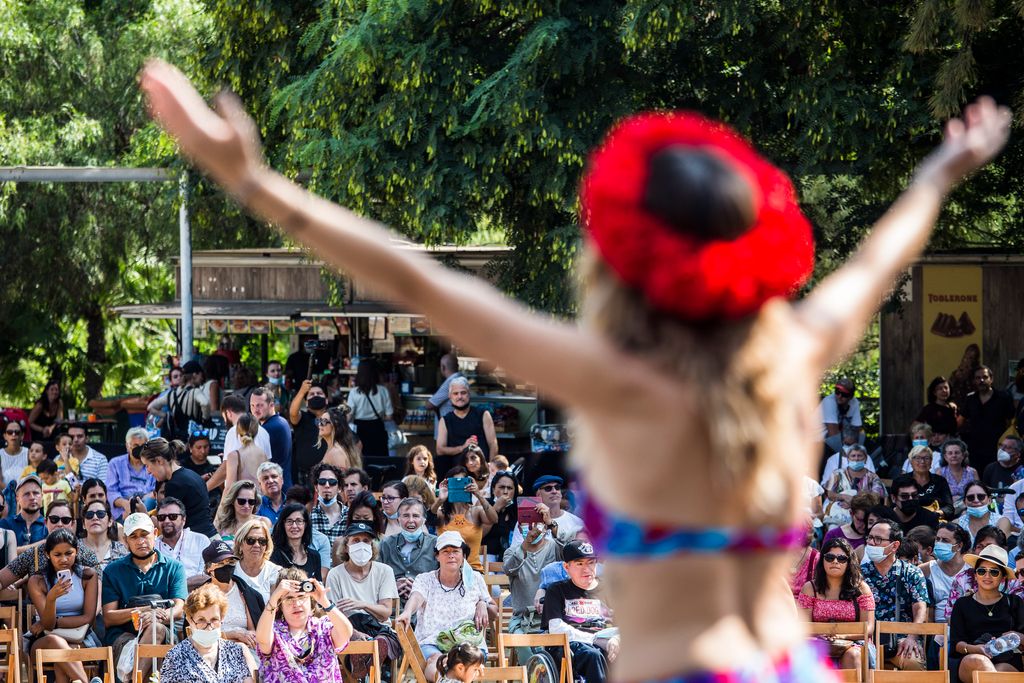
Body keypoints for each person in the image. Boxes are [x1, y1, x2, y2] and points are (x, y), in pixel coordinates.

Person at [141, 63, 1012, 680]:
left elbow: (419, 282)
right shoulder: (787, 355)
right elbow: (873, 265)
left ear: (624, 260)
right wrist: (940, 173)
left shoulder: (620, 379)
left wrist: (254, 180)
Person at [395, 531, 496, 682]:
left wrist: (482, 604)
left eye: (455, 551)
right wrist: (408, 612)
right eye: (445, 551)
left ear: (464, 555)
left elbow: (494, 613)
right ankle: (444, 680)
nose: (451, 555)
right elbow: (416, 596)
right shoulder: (425, 580)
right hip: (432, 642)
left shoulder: (475, 578)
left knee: (464, 663)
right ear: (437, 556)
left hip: (468, 644)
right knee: (437, 661)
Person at [102, 512, 188, 683]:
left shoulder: (174, 567)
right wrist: (145, 611)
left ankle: (134, 679)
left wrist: (156, 616)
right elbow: (109, 617)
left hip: (164, 634)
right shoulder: (112, 570)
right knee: (155, 636)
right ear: (125, 541)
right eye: (133, 536)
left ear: (155, 534)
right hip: (124, 636)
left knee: (157, 629)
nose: (140, 541)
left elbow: (179, 609)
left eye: (144, 534)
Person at [26, 529, 101, 683]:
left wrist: (57, 621)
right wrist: (51, 598)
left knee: (62, 658)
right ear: (47, 554)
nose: (64, 559)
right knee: (56, 642)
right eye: (57, 555)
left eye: (69, 553)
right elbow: (48, 625)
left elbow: (88, 618)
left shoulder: (88, 575)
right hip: (45, 639)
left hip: (81, 637)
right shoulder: (37, 581)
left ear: (77, 551)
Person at [257, 569, 353, 683]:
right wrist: (274, 597)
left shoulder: (323, 627)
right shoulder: (272, 630)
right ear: (280, 605)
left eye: (301, 597)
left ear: (310, 600)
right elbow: (263, 641)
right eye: (289, 599)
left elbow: (346, 633)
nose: (296, 604)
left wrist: (324, 601)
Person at [541, 540, 617, 683]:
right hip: (572, 645)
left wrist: (617, 639)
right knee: (592, 655)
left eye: (591, 563)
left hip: (609, 640)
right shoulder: (556, 590)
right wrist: (595, 640)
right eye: (579, 564)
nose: (586, 569)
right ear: (566, 567)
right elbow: (556, 627)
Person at [797, 538, 875, 672]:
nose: (835, 562)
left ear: (849, 562)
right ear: (822, 560)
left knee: (852, 655)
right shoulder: (809, 588)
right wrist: (821, 634)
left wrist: (842, 636)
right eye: (829, 557)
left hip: (854, 642)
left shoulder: (861, 589)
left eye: (841, 558)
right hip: (818, 640)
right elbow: (803, 625)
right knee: (806, 655)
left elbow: (868, 628)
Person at [949, 545, 1024, 681]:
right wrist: (975, 649)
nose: (987, 576)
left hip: (1007, 659)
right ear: (975, 574)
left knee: (999, 672)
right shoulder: (962, 604)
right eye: (982, 571)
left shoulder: (1014, 602)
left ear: (1003, 577)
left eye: (994, 572)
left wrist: (1019, 636)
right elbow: (956, 644)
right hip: (970, 658)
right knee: (980, 662)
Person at [860, 521, 928, 670]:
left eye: (878, 539)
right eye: (870, 537)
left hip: (901, 639)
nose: (871, 543)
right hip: (866, 639)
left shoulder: (911, 572)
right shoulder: (859, 573)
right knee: (852, 658)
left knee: (912, 661)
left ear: (895, 546)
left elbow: (920, 609)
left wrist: (912, 637)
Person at [159, 583, 258, 683]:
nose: (209, 627)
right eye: (201, 620)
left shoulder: (235, 652)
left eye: (214, 619)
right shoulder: (175, 656)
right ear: (189, 620)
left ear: (222, 618)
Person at [325, 521, 399, 630]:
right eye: (356, 540)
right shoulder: (335, 574)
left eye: (366, 541)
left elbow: (385, 613)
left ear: (371, 546)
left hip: (379, 630)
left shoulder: (385, 571)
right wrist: (354, 634)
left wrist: (363, 605)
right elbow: (334, 615)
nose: (361, 546)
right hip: (347, 630)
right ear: (346, 547)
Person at [141, 438, 219, 537]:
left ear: (159, 461)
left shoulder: (174, 485)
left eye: (147, 465)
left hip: (196, 542)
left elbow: (170, 529)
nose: (148, 471)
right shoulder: (192, 475)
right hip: (210, 537)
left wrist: (144, 515)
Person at [196, 540, 265, 651]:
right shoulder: (199, 597)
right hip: (211, 651)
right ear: (209, 569)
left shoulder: (248, 594)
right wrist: (234, 634)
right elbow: (198, 635)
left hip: (245, 650)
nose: (227, 566)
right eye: (221, 563)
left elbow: (255, 631)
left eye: (230, 562)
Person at [433, 467, 497, 572]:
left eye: (463, 483)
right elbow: (429, 517)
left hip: (473, 570)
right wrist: (440, 499)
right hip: (447, 571)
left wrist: (478, 494)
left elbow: (494, 519)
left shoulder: (476, 512)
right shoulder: (441, 514)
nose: (459, 487)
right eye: (455, 483)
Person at [504, 516, 559, 635]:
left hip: (552, 618)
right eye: (527, 524)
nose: (532, 528)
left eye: (537, 523)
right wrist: (526, 543)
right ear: (519, 528)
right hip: (522, 620)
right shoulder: (512, 551)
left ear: (545, 527)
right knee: (521, 642)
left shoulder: (554, 547)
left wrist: (552, 524)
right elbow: (509, 570)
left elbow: (570, 555)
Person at [379, 498, 439, 601]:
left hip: (426, 604)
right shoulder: (386, 544)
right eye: (406, 516)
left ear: (424, 520)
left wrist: (419, 588)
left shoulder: (436, 544)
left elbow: (446, 579)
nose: (411, 520)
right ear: (398, 519)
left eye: (416, 516)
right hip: (392, 604)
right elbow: (376, 577)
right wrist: (391, 586)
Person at [962, 365, 1015, 473]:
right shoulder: (970, 399)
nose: (981, 380)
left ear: (991, 379)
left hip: (997, 447)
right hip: (975, 449)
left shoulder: (1003, 397)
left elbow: (1010, 421)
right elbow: (962, 420)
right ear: (974, 381)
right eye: (978, 378)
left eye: (985, 377)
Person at [436, 378, 498, 470]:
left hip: (482, 469)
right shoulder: (445, 420)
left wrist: (491, 468)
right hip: (457, 471)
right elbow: (440, 450)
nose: (460, 396)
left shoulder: (483, 414)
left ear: (469, 394)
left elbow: (493, 444)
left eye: (463, 393)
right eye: (455, 393)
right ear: (450, 396)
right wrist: (463, 447)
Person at [920, 523, 970, 633]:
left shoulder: (972, 570)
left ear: (959, 546)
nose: (939, 544)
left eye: (945, 541)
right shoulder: (925, 570)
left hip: (966, 629)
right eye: (937, 539)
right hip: (936, 631)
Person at [510, 475, 584, 548]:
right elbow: (514, 551)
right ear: (538, 494)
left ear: (561, 494)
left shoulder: (577, 521)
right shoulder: (525, 521)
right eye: (548, 488)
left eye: (557, 488)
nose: (554, 491)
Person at [822, 444, 886, 528]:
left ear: (865, 459)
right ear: (848, 459)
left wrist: (854, 502)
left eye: (860, 456)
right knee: (833, 528)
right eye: (853, 456)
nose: (856, 458)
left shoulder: (873, 477)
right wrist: (844, 497)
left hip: (864, 514)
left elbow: (876, 496)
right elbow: (830, 494)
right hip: (839, 515)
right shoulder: (837, 474)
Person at [154, 496, 212, 577]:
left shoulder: (200, 540)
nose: (166, 521)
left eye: (173, 516)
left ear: (183, 519)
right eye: (161, 517)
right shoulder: (152, 546)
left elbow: (205, 576)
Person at [287, 380, 329, 488]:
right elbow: (293, 413)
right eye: (311, 394)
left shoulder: (334, 419)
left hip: (329, 475)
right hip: (304, 475)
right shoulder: (302, 418)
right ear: (306, 402)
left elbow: (355, 442)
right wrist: (302, 392)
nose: (315, 396)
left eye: (319, 393)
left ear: (327, 400)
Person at [250, 387, 294, 491]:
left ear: (271, 405)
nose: (255, 410)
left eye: (260, 405)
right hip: (282, 486)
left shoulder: (267, 429)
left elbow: (253, 462)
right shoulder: (282, 421)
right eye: (252, 405)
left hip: (275, 490)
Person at [107, 427, 155, 521]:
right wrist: (126, 504)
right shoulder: (115, 463)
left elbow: (156, 490)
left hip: (147, 508)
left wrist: (142, 502)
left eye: (143, 446)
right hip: (122, 510)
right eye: (136, 446)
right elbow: (111, 491)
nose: (139, 450)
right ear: (127, 446)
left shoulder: (152, 464)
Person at [232, 518, 281, 603]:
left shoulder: (275, 572)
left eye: (262, 541)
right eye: (250, 540)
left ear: (267, 545)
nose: (257, 545)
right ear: (240, 544)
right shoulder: (230, 570)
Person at [270, 503, 322, 580]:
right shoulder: (274, 554)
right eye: (289, 521)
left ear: (306, 524)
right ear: (283, 524)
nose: (294, 526)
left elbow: (318, 584)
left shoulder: (314, 556)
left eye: (299, 521)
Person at [902, 445, 955, 519]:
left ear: (931, 461)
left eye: (926, 458)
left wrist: (936, 514)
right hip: (909, 520)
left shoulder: (940, 481)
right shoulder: (902, 481)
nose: (922, 461)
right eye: (917, 458)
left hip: (935, 519)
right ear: (911, 462)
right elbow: (896, 505)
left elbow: (949, 507)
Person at [221, 394, 273, 466]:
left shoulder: (233, 431)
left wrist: (212, 475)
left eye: (223, 416)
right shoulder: (264, 432)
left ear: (228, 413)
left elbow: (226, 466)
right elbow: (267, 463)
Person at [223, 413, 269, 492]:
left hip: (243, 499)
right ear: (256, 431)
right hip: (260, 498)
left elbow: (229, 489)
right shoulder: (264, 455)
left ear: (237, 431)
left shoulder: (234, 456)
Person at [78, 499, 128, 571]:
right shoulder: (74, 550)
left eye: (100, 514)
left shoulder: (121, 550)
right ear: (83, 524)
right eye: (89, 514)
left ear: (110, 521)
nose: (95, 518)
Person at [0, 475, 46, 550]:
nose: (32, 497)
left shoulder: (49, 525)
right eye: (27, 494)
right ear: (17, 498)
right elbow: (4, 553)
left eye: (36, 493)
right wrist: (43, 544)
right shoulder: (5, 524)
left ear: (42, 496)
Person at [820, 379, 864, 454]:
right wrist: (847, 455)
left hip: (833, 442)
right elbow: (833, 435)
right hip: (817, 443)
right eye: (837, 392)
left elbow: (858, 431)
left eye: (844, 394)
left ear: (851, 396)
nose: (839, 396)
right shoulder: (829, 401)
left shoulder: (854, 402)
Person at [481, 470, 518, 558]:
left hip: (512, 558)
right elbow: (479, 534)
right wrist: (496, 508)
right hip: (487, 556)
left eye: (510, 488)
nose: (505, 491)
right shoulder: (484, 504)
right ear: (493, 489)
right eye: (501, 487)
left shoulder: (518, 509)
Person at [310, 463, 348, 544]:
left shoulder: (350, 515)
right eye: (322, 481)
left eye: (332, 482)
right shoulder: (308, 516)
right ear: (316, 487)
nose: (327, 485)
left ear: (339, 488)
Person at [318, 406, 362, 471]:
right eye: (320, 420)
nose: (319, 424)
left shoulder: (336, 452)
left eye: (324, 421)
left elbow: (343, 477)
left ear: (335, 425)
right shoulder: (334, 448)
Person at [939, 438, 978, 505]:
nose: (954, 455)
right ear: (945, 457)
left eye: (957, 453)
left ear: (963, 455)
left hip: (970, 506)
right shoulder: (940, 473)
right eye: (950, 453)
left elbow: (979, 492)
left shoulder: (972, 472)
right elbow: (937, 495)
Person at [428, 353, 463, 421]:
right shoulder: (461, 378)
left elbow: (429, 405)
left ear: (443, 367)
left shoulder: (451, 382)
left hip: (448, 425)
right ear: (458, 366)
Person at [1, 420, 28, 488]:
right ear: (5, 436)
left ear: (22, 435)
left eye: (17, 432)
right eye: (10, 432)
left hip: (25, 491)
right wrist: (11, 491)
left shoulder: (29, 453)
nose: (13, 434)